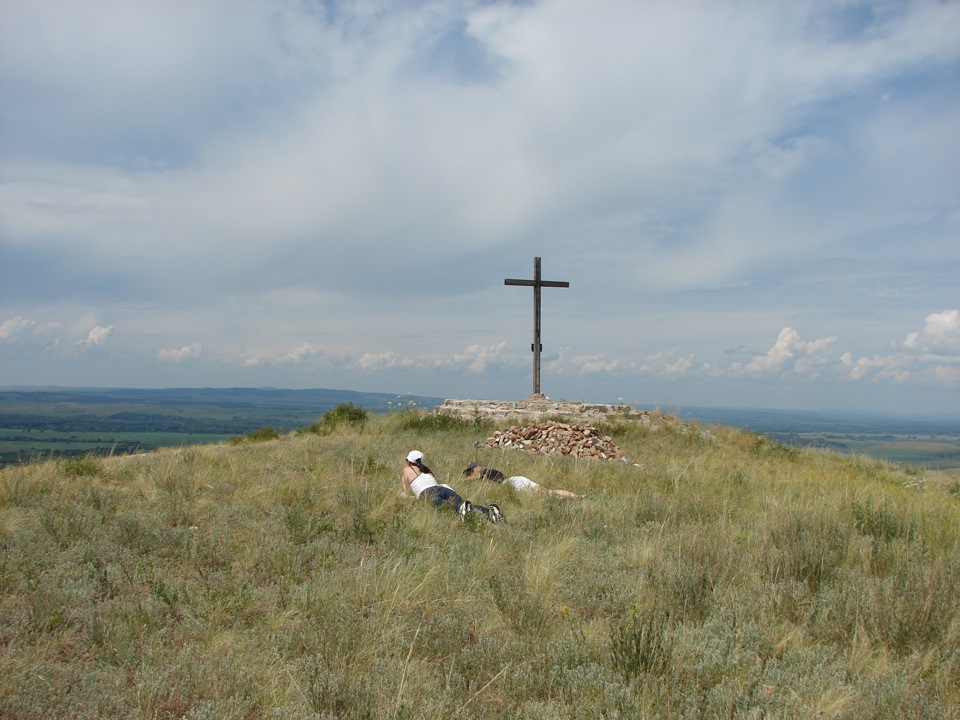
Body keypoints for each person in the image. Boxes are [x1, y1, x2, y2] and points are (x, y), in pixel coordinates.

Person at [402, 451, 505, 523]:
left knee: (450, 511)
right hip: (443, 489)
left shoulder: (408, 469)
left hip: (428, 493)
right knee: (462, 506)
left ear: (409, 461)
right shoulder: (427, 472)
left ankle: (464, 513)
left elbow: (407, 492)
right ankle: (489, 512)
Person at [463, 462, 586, 499]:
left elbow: (473, 478)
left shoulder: (482, 472)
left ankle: (564, 499)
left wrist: (464, 480)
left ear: (474, 469)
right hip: (518, 478)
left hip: (511, 482)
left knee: (535, 496)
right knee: (547, 492)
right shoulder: (489, 471)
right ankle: (578, 497)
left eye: (470, 471)